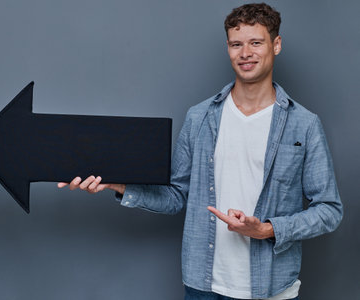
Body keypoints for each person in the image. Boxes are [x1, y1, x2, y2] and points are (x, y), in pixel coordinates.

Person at [57, 3, 343, 299]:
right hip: (203, 287)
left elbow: (329, 210)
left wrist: (269, 229)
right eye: (236, 44)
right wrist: (118, 184)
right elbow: (176, 195)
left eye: (256, 42)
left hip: (272, 288)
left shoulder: (304, 125)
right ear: (228, 48)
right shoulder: (199, 117)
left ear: (276, 45)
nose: (245, 53)